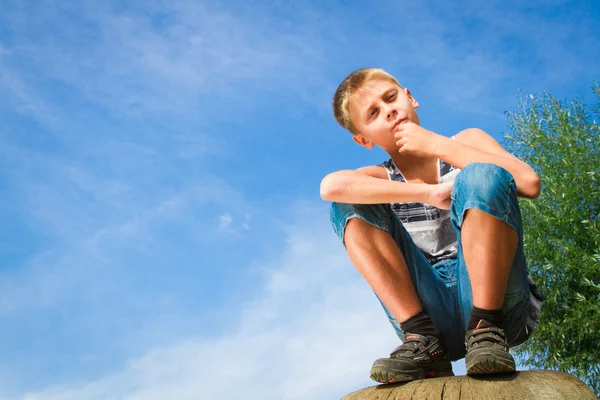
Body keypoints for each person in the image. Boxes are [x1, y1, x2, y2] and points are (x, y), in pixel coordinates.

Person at [320, 68, 544, 384]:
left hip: (501, 306)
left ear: (410, 97)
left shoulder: (466, 142)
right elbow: (331, 186)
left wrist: (435, 145)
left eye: (391, 98)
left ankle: (485, 328)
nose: (389, 111)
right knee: (348, 202)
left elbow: (528, 182)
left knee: (481, 174)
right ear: (363, 139)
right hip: (429, 314)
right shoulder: (379, 178)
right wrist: (427, 193)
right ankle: (423, 342)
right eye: (373, 113)